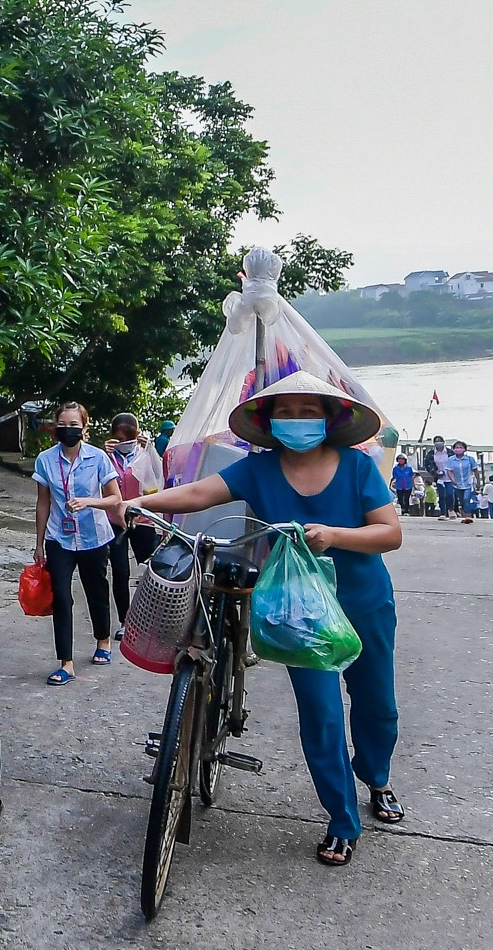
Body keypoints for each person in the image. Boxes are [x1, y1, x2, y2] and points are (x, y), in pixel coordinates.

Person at [86, 371, 404, 866]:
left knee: (377, 705)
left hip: (364, 602)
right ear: (269, 421)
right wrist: (136, 502)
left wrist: (335, 536)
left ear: (328, 418)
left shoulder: (358, 468)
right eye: (286, 412)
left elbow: (389, 533)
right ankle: (342, 820)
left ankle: (376, 776)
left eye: (308, 412)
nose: (297, 421)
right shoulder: (258, 469)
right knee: (320, 715)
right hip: (300, 612)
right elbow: (196, 495)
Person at [31, 402, 123, 682]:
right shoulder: (45, 460)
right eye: (63, 424)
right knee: (61, 596)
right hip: (59, 538)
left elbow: (115, 498)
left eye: (74, 425)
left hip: (94, 536)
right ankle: (66, 663)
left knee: (96, 589)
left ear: (85, 427)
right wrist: (38, 543)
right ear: (56, 426)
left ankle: (103, 641)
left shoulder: (98, 458)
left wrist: (89, 502)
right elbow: (43, 502)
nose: (68, 430)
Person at [102, 412, 164, 640]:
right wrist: (104, 453)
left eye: (128, 438)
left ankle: (149, 619)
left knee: (152, 570)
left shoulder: (146, 455)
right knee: (119, 571)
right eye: (118, 439)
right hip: (114, 520)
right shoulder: (106, 457)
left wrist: (152, 450)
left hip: (143, 519)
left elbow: (159, 480)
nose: (123, 443)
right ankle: (125, 620)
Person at [448, 441, 481, 520]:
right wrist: (452, 479)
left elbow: (475, 471)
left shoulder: (470, 459)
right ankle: (465, 513)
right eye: (456, 448)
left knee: (466, 499)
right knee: (462, 501)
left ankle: (468, 516)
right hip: (457, 484)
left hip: (468, 483)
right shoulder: (451, 460)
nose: (458, 449)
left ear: (464, 449)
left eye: (460, 447)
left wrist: (478, 482)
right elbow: (449, 471)